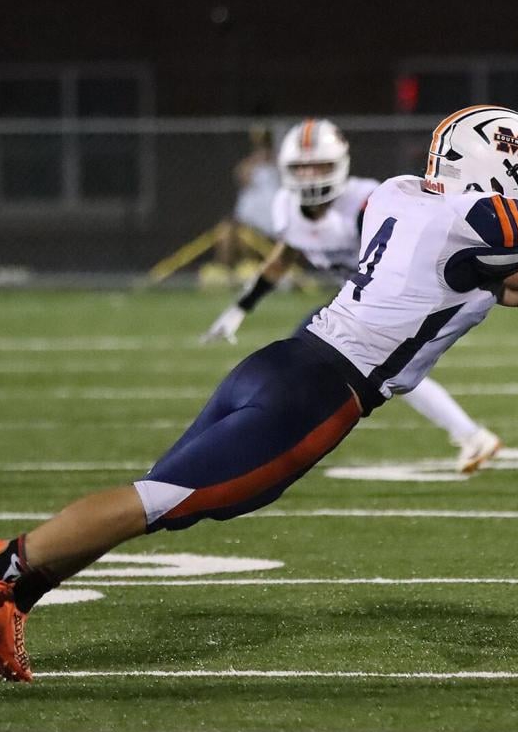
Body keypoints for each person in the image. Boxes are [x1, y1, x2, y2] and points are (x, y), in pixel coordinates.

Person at [0, 105, 518, 682]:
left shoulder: (405, 195)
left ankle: (17, 594)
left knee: (176, 502)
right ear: (492, 164)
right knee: (163, 499)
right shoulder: (482, 215)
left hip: (283, 360)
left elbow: (507, 288)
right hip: (320, 390)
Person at [202, 118, 502, 473]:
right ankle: (471, 434)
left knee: (346, 368)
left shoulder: (366, 203)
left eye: (320, 166)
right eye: (303, 167)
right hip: (358, 303)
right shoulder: (285, 205)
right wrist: (241, 307)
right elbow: (286, 255)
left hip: (401, 296)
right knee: (344, 367)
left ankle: (279, 442)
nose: (311, 176)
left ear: (340, 164)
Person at [203, 126, 281, 288]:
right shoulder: (249, 166)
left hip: (268, 228)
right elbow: (241, 176)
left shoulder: (278, 168)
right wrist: (255, 160)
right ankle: (225, 273)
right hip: (246, 223)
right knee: (226, 232)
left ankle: (252, 270)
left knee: (248, 239)